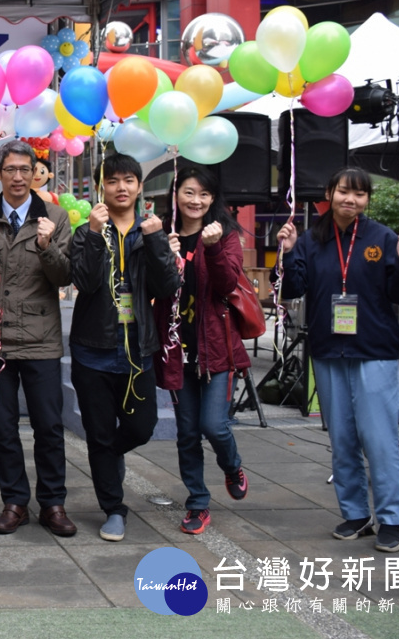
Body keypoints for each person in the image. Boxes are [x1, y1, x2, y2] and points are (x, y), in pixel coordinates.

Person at [278, 168, 399, 553]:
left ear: (366, 200)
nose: (351, 200)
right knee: (341, 440)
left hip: (374, 351)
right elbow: (293, 288)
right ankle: (356, 513)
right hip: (328, 350)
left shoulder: (383, 238)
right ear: (330, 192)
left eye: (359, 194)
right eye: (344, 191)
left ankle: (393, 518)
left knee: (379, 439)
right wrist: (288, 254)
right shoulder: (311, 239)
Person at [0, 139, 78, 538]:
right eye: (9, 170)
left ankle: (53, 504)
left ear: (35, 173)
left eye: (24, 170)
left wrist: (47, 247)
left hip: (41, 338)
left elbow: (64, 277)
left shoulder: (55, 217)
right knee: (3, 426)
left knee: (48, 426)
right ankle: (14, 502)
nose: (17, 177)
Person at [70, 153, 180, 542]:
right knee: (98, 432)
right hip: (92, 350)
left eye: (129, 180)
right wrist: (95, 235)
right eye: (113, 180)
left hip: (137, 349)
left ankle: (106, 455)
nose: (121, 187)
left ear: (138, 186)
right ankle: (113, 508)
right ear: (103, 187)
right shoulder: (87, 230)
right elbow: (83, 282)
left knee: (140, 427)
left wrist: (156, 241)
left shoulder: (151, 230)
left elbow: (167, 287)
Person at [152, 167, 250, 536]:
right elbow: (156, 287)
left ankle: (232, 465)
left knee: (214, 425)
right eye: (189, 193)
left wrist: (211, 249)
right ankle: (197, 502)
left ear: (213, 199)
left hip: (216, 349)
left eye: (204, 195)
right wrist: (163, 253)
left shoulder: (224, 234)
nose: (196, 201)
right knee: (187, 433)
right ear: (176, 194)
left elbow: (227, 284)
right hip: (178, 349)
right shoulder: (162, 232)